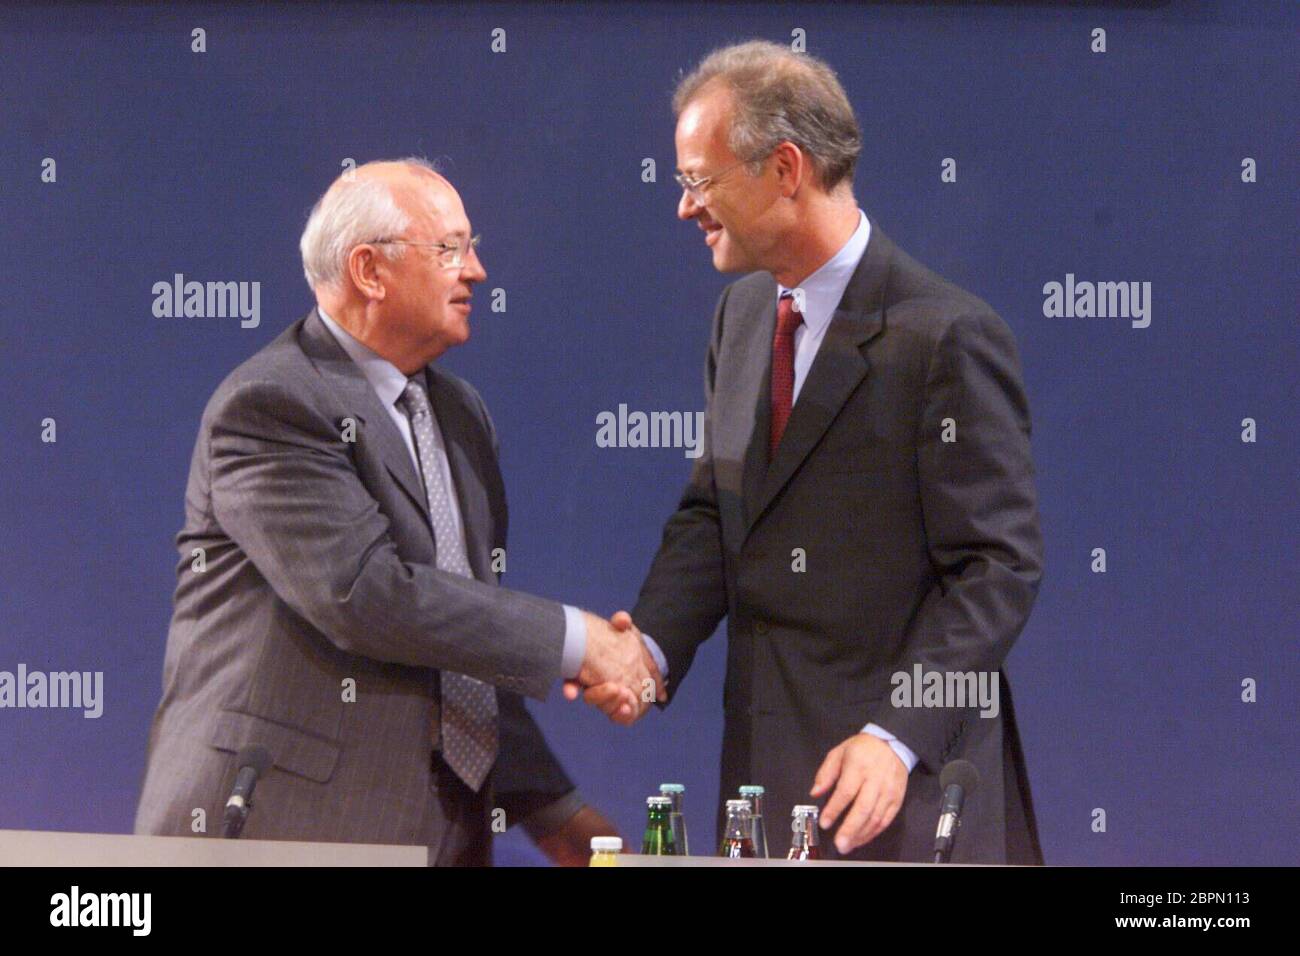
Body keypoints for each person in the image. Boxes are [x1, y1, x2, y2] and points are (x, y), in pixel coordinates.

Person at [584, 41, 1045, 863]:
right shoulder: (742, 317)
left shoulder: (944, 337)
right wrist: (648, 650)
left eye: (698, 180)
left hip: (902, 793)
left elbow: (996, 571)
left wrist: (896, 736)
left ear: (785, 168)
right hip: (767, 785)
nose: (684, 208)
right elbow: (714, 514)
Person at [134, 158, 662, 866]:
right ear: (369, 270)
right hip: (281, 829)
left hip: (440, 834)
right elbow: (363, 593)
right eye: (449, 248)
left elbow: (459, 645)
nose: (475, 270)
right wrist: (580, 640)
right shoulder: (272, 403)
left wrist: (553, 813)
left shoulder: (460, 415)